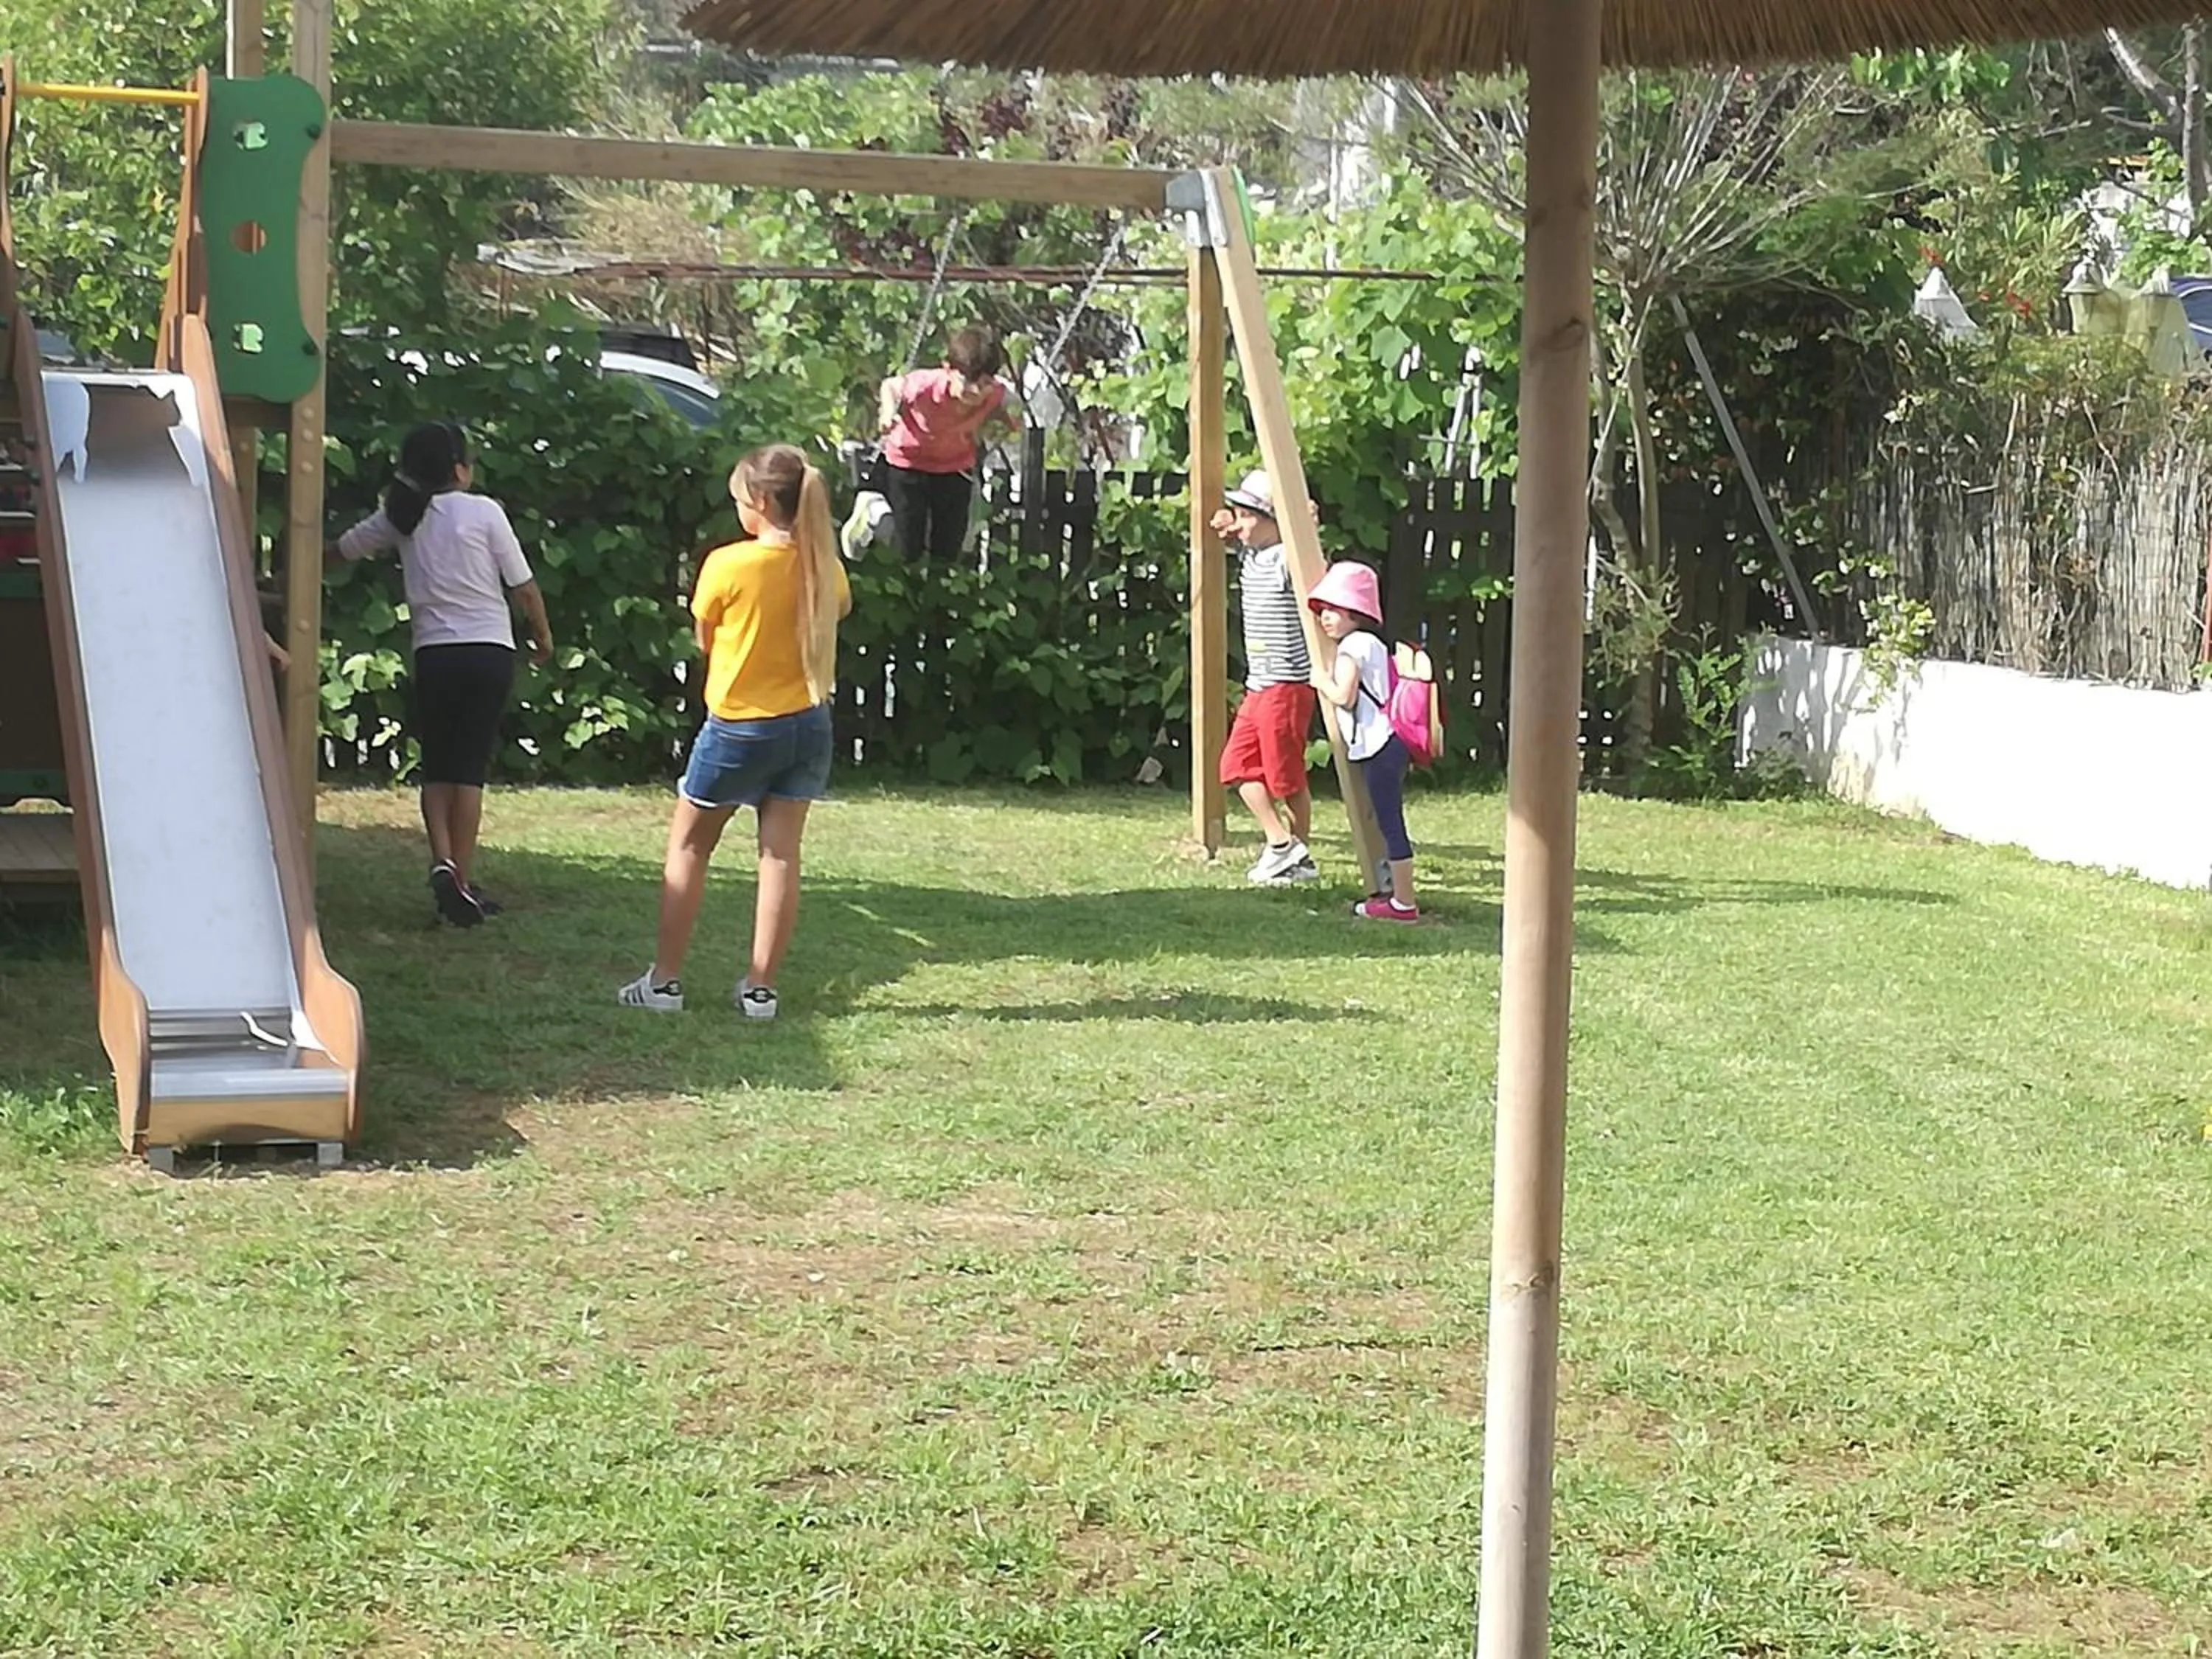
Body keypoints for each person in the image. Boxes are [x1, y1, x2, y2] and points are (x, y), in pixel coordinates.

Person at [619, 443, 852, 1020]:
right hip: (809, 723)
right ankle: (760, 990)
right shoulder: (825, 566)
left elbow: (705, 634)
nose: (738, 510)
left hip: (739, 726)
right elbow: (836, 613)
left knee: (690, 845)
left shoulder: (727, 565)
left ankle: (665, 982)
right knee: (780, 856)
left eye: (740, 500)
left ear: (763, 502)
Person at [332, 421, 552, 928]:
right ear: (460, 469)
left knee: (437, 766)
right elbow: (523, 586)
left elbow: (342, 549)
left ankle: (442, 861)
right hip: (488, 651)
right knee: (469, 770)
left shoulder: (400, 517)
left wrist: (285, 575)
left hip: (435, 653)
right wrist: (543, 637)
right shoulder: (485, 512)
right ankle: (463, 882)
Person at [1213, 470, 1317, 886]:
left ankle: (1299, 855)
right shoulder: (1251, 553)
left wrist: (1306, 528)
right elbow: (1231, 534)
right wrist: (1228, 524)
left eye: (1248, 515)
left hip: (1287, 685)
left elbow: (1310, 561)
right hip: (1259, 684)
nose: (1240, 523)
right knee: (1235, 766)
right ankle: (1282, 844)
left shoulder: (1287, 558)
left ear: (1275, 521)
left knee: (1286, 777)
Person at [1308, 561, 1419, 922]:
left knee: (1390, 822)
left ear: (1356, 612)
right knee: (1388, 819)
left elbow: (1345, 696)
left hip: (1378, 744)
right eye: (1323, 610)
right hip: (1390, 740)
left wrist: (1320, 681)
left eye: (1335, 609)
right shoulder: (1372, 643)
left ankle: (1403, 902)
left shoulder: (1352, 646)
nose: (1326, 617)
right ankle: (1398, 896)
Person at [855, 324, 1023, 561]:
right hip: (908, 464)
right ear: (948, 369)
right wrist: (888, 413)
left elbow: (1014, 409)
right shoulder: (925, 386)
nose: (976, 390)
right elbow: (890, 386)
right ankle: (871, 509)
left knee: (948, 548)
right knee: (907, 548)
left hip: (955, 467)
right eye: (968, 380)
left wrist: (1011, 422)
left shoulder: (996, 394)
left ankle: (940, 583)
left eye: (985, 383)